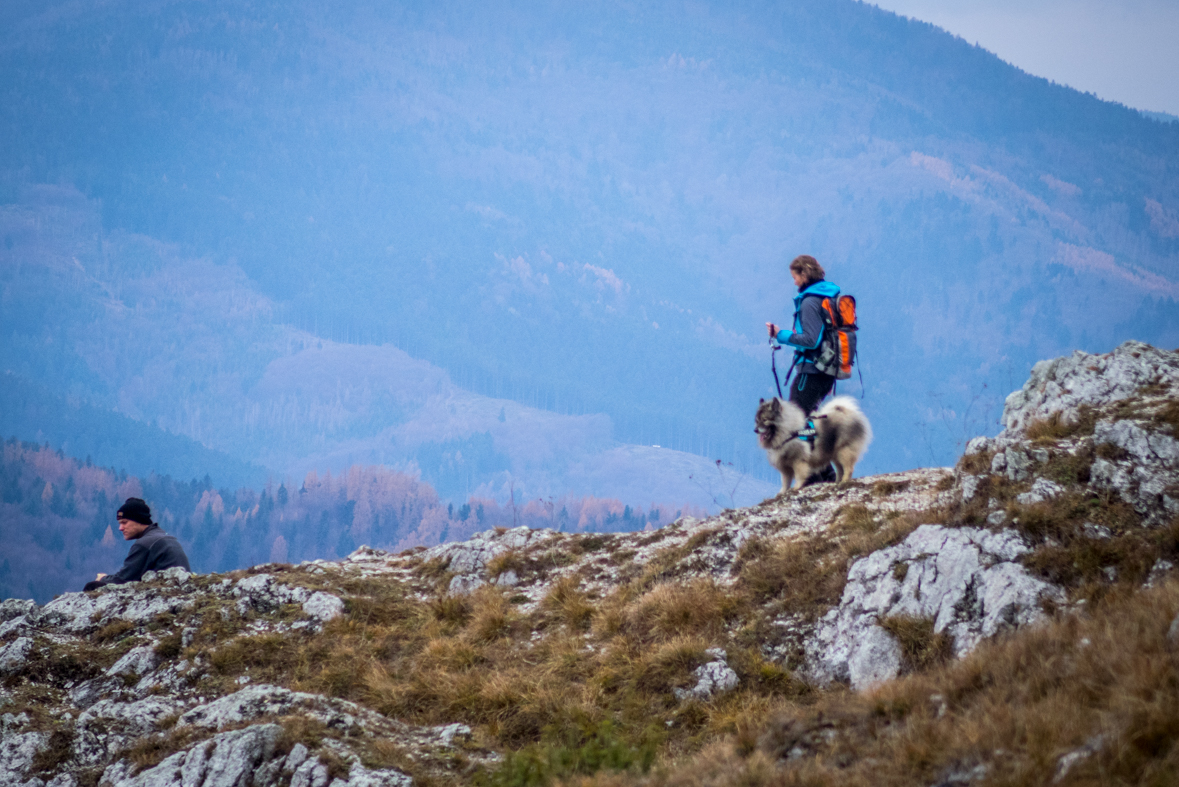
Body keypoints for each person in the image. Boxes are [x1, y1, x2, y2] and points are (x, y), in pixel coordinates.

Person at [766, 254, 840, 482]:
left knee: (797, 425)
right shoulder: (827, 295)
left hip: (811, 371)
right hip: (826, 371)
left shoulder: (809, 302)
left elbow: (811, 340)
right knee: (808, 422)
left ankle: (814, 477)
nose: (794, 282)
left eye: (795, 277)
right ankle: (824, 473)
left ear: (804, 274)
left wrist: (781, 335)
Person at [84, 498, 190, 591]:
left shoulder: (145, 544)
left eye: (124, 522)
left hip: (166, 593)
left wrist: (102, 579)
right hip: (180, 588)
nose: (120, 528)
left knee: (92, 587)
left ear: (139, 520)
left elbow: (123, 579)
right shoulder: (161, 536)